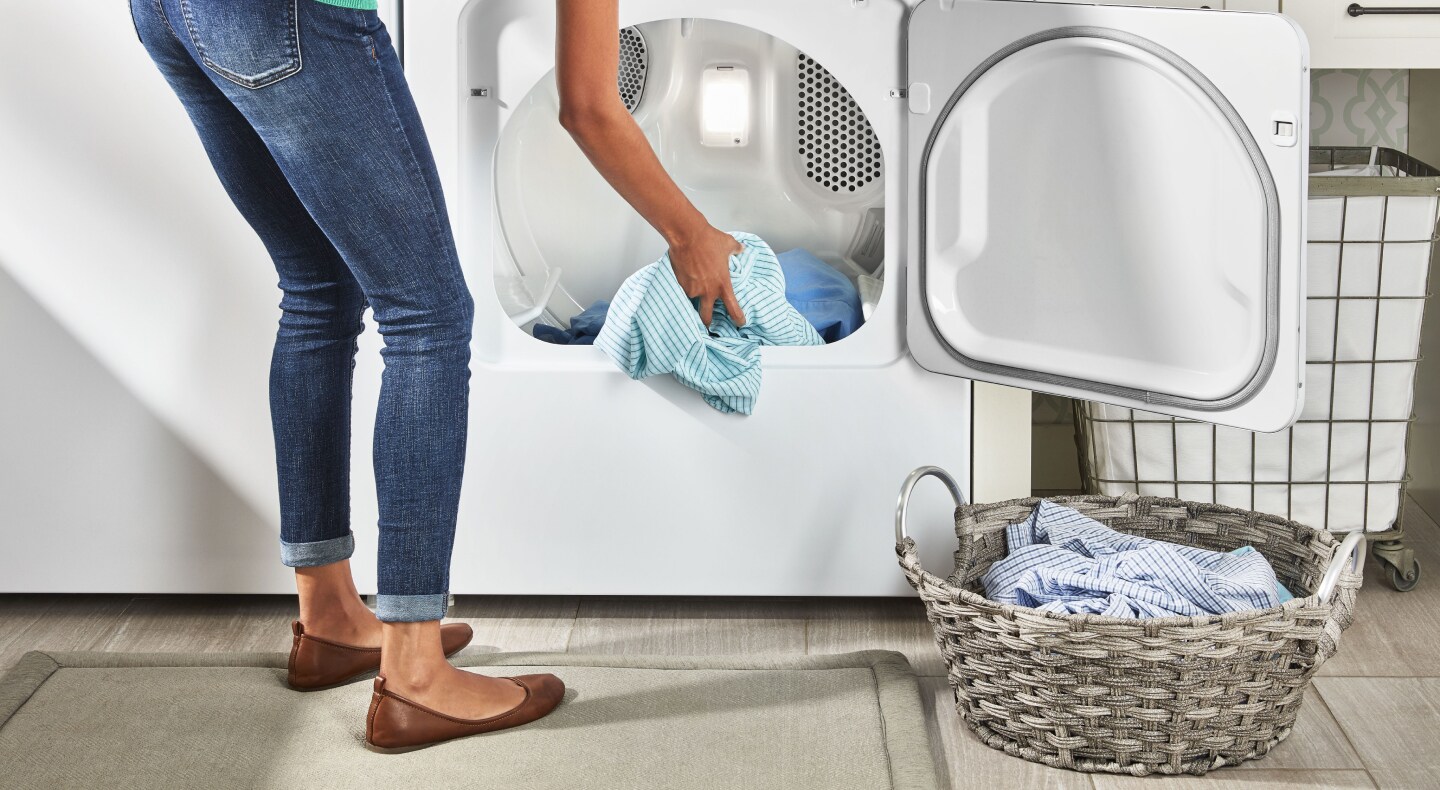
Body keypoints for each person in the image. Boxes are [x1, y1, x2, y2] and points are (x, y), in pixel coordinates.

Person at [130, 0, 742, 751]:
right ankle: (416, 675)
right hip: (291, 18)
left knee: (319, 291)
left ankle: (328, 622)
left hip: (171, 13)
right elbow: (587, 107)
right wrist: (693, 233)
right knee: (428, 318)